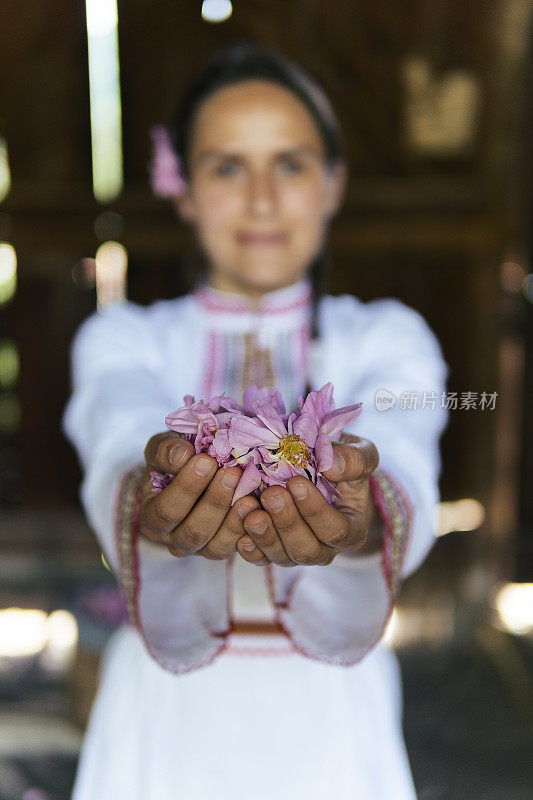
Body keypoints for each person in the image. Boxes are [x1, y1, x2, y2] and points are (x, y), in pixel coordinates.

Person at [62, 43, 449, 800]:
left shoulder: (384, 338)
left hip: (330, 713)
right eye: (227, 166)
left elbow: (402, 453)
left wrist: (359, 512)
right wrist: (150, 496)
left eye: (292, 164)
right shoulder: (125, 338)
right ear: (180, 186)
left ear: (333, 184)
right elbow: (117, 435)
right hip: (164, 712)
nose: (263, 200)